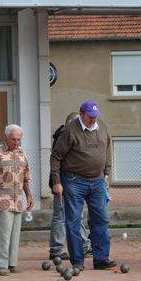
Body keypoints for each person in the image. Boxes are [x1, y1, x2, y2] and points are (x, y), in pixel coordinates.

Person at [50, 100, 116, 271]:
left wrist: (106, 172)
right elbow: (56, 156)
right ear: (81, 115)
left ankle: (101, 258)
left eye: (95, 117)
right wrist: (57, 182)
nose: (93, 120)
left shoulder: (100, 126)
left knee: (101, 219)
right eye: (89, 117)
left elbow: (107, 148)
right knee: (73, 221)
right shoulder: (70, 131)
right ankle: (78, 261)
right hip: (74, 181)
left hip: (98, 180)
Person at [0, 124, 33, 276]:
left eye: (19, 139)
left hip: (17, 201)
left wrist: (29, 195)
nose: (16, 142)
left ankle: (12, 263)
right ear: (6, 137)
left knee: (15, 234)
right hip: (0, 199)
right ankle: (1, 265)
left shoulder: (22, 153)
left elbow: (26, 178)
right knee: (3, 234)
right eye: (13, 139)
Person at [48, 112, 92, 261]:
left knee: (74, 215)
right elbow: (57, 161)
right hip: (63, 182)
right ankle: (57, 249)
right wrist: (58, 183)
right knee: (61, 216)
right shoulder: (64, 136)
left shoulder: (65, 135)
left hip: (73, 182)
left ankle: (83, 245)